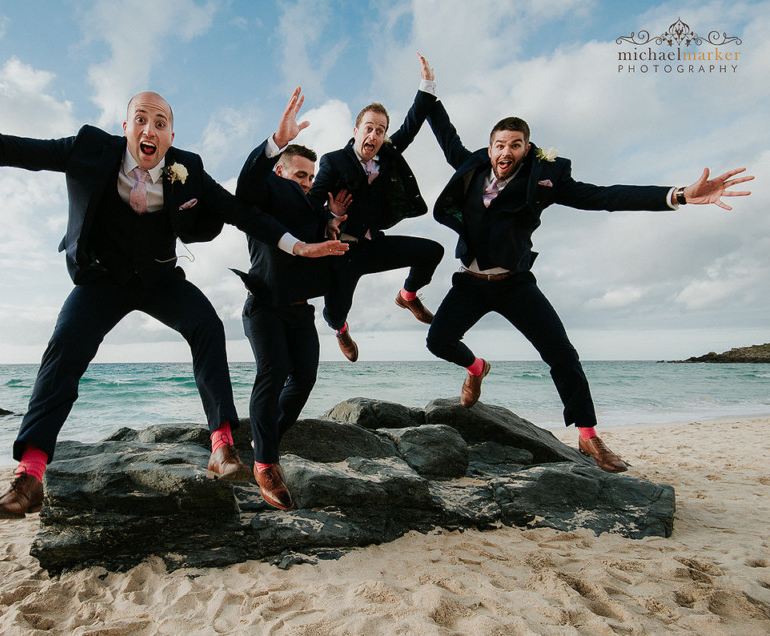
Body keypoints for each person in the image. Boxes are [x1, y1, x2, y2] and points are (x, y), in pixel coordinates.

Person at [0, 54, 348, 518]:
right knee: (64, 349)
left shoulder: (186, 168)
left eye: (161, 122)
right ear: (126, 126)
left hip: (162, 278)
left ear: (171, 134)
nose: (151, 128)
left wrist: (298, 247)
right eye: (141, 118)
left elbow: (241, 213)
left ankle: (222, 447)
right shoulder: (88, 149)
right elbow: (8, 148)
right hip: (101, 279)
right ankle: (29, 475)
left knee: (207, 327)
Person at [424, 104, 753, 472]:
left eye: (516, 144)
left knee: (562, 355)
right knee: (438, 341)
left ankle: (588, 435)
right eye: (500, 145)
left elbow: (604, 197)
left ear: (527, 148)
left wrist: (677, 195)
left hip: (514, 283)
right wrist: (430, 95)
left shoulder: (544, 178)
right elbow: (445, 134)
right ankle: (477, 367)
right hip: (469, 282)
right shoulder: (470, 166)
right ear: (490, 150)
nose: (506, 152)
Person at [234, 88, 351, 510]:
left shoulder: (313, 208)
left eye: (310, 176)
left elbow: (325, 225)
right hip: (264, 306)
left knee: (303, 378)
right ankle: (265, 463)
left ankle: (264, 441)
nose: (306, 181)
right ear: (281, 172)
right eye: (298, 174)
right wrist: (275, 144)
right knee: (274, 370)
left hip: (301, 312)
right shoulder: (265, 194)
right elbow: (246, 185)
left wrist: (332, 220)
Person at [308, 53, 445, 362]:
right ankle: (341, 330)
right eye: (369, 128)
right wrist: (330, 215)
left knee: (432, 252)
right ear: (356, 130)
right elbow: (313, 199)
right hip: (344, 252)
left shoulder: (387, 156)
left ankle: (407, 297)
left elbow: (411, 125)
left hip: (374, 246)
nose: (374, 135)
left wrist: (427, 85)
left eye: (380, 130)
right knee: (334, 311)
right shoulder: (334, 161)